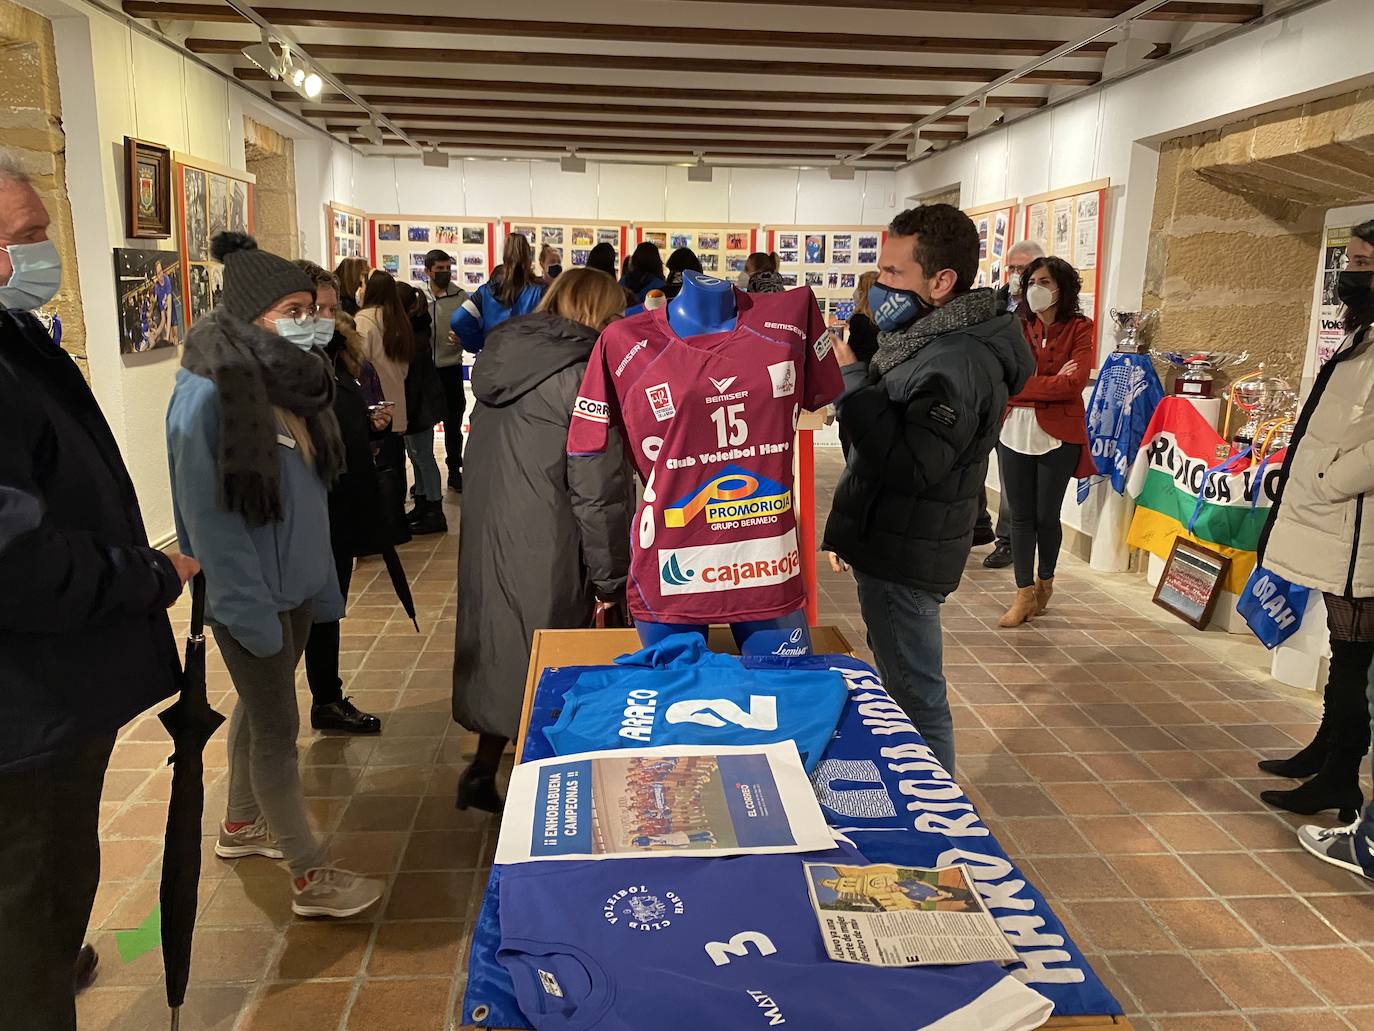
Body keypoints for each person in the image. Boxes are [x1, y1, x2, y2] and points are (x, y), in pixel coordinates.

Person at [0, 157, 197, 1031]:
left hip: (49, 699)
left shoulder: (16, 342)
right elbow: (17, 560)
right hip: (21, 711)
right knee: (28, 914)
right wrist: (146, 576)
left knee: (53, 887)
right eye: (25, 237)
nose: (44, 252)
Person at [167, 232, 383, 918]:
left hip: (290, 589)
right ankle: (309, 875)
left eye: (314, 306)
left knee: (262, 713)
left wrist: (318, 583)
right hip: (250, 598)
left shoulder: (291, 381)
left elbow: (309, 500)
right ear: (252, 315)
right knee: (277, 731)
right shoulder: (208, 397)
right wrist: (247, 608)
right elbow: (211, 524)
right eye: (295, 308)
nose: (313, 319)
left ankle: (240, 825)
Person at [821, 204, 1034, 775]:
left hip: (907, 549)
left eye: (894, 274)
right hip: (895, 536)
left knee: (914, 693)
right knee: (902, 681)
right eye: (882, 271)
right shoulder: (926, 340)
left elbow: (914, 463)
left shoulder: (956, 357)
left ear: (942, 282)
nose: (880, 287)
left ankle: (937, 814)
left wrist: (852, 383)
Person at [453, 268, 634, 812]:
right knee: (552, 665)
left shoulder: (508, 357)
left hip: (493, 529)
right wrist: (611, 577)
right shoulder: (583, 376)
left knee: (503, 654)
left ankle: (483, 769)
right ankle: (542, 801)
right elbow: (596, 487)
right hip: (549, 538)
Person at [1257, 218, 1374, 872]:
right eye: (1350, 257)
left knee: (1356, 663)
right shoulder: (1364, 331)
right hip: (1341, 520)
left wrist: (1328, 479)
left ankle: (1340, 776)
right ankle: (1324, 752)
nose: (1349, 270)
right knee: (1344, 650)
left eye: (1362, 260)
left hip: (1360, 523)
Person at [295, 261, 387, 735]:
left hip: (342, 503)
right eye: (315, 308)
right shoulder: (287, 372)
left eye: (332, 308)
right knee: (313, 611)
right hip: (314, 509)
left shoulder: (334, 357)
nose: (326, 317)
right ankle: (323, 698)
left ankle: (327, 696)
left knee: (329, 607)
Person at [995, 256, 1095, 628]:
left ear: (1061, 287)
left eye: (1045, 281)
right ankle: (1022, 593)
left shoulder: (1081, 328)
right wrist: (1047, 385)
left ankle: (1045, 582)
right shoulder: (1016, 326)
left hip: (1060, 433)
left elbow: (1075, 381)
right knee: (1019, 516)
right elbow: (1009, 380)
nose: (1036, 287)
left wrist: (1031, 385)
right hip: (1014, 429)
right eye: (1031, 280)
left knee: (1045, 516)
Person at [981, 240, 1046, 568]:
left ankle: (1006, 540)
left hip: (1019, 404)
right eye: (1013, 267)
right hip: (987, 397)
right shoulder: (994, 303)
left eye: (1025, 267)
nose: (1017, 274)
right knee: (970, 466)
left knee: (1011, 479)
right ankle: (976, 525)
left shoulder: (1043, 308)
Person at [355, 269, 418, 533]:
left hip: (375, 402)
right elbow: (404, 367)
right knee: (396, 465)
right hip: (397, 400)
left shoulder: (364, 321)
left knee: (378, 466)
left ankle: (382, 524)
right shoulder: (399, 320)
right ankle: (397, 520)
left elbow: (359, 361)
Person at [396, 279, 449, 535]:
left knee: (424, 457)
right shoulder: (412, 331)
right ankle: (422, 500)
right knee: (416, 457)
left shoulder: (414, 336)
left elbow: (415, 381)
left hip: (420, 406)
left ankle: (434, 509)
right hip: (417, 405)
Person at [420, 248, 468, 492]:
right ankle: (424, 476)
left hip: (451, 368)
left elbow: (471, 328)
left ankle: (454, 469)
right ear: (428, 271)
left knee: (453, 423)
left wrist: (463, 338)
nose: (445, 273)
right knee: (425, 423)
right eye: (439, 269)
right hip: (426, 370)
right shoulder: (419, 297)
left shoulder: (460, 296)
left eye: (448, 268)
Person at [453, 233, 546, 353]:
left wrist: (478, 343)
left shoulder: (485, 291)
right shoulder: (541, 291)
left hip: (493, 360)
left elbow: (458, 319)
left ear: (504, 257)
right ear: (529, 257)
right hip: (528, 359)